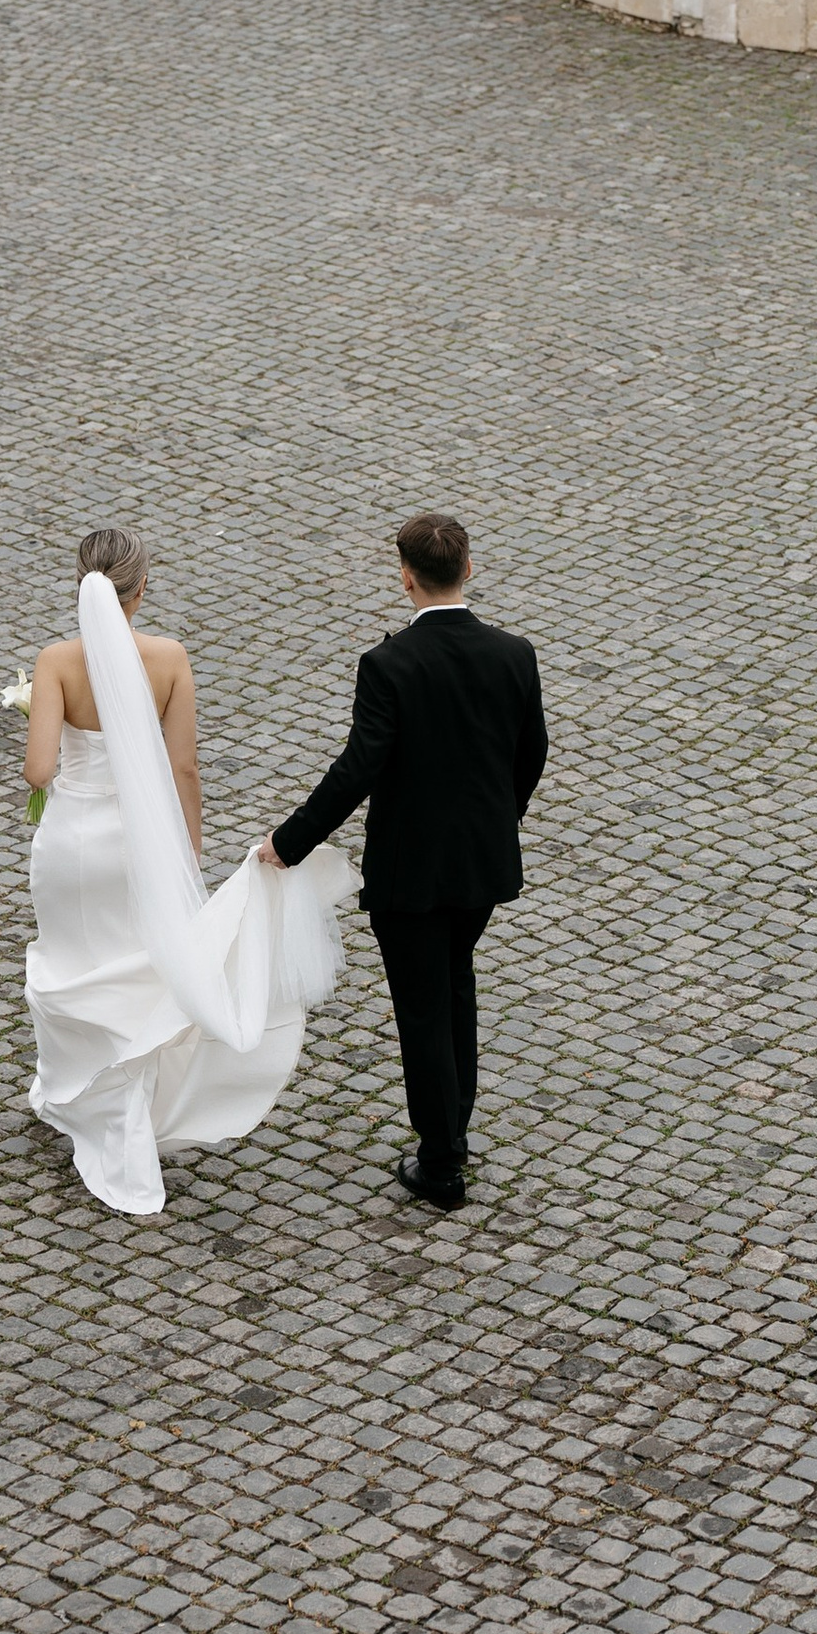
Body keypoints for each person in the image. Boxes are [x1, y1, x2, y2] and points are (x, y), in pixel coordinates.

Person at [22, 525, 354, 1217]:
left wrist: (36, 713)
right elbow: (183, 768)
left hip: (68, 844)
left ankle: (70, 1094)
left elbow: (39, 772)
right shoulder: (169, 658)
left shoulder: (54, 661)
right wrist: (188, 849)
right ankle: (122, 1109)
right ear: (144, 587)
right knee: (140, 973)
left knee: (71, 965)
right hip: (136, 848)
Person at [258, 510, 547, 1211]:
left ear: (406, 578)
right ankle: (454, 1127)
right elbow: (530, 753)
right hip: (481, 865)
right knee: (453, 990)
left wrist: (288, 842)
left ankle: (443, 1162)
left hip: (410, 871)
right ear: (469, 568)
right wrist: (497, 822)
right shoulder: (514, 653)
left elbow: (359, 767)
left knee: (424, 1008)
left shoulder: (388, 664)